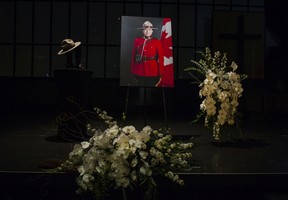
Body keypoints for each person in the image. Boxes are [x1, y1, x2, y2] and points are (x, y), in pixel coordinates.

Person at [130, 21, 164, 87]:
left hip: (152, 71)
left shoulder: (157, 42)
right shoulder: (137, 41)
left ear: (152, 31)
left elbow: (161, 58)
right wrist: (132, 70)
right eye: (145, 29)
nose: (148, 31)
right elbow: (133, 56)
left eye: (150, 29)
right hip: (139, 70)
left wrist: (160, 73)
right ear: (142, 30)